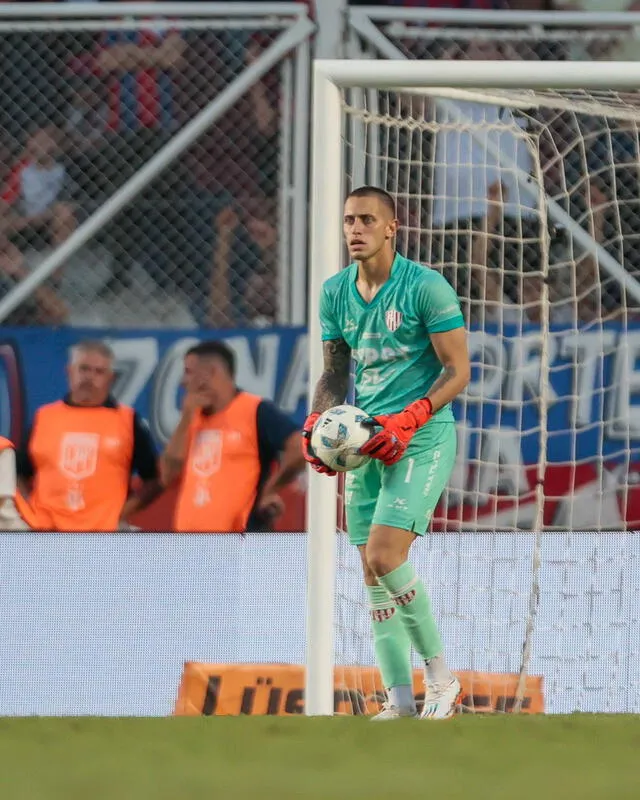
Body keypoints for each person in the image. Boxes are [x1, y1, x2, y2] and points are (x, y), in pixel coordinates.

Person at [303, 186, 470, 720]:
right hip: (368, 443)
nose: (355, 229)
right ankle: (399, 701)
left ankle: (442, 680)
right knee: (371, 573)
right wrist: (314, 426)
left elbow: (458, 370)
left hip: (419, 439)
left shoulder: (426, 288)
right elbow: (334, 372)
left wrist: (412, 417)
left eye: (367, 220)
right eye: (349, 219)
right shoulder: (334, 293)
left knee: (384, 555)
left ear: (392, 228)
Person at [12, 340, 161, 532]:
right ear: (69, 371)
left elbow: (154, 479)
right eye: (83, 369)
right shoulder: (44, 417)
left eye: (99, 372)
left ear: (111, 378)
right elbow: (18, 472)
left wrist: (120, 513)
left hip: (103, 535)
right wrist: (30, 511)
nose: (89, 377)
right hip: (46, 532)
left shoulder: (128, 421)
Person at [161, 340, 305, 533]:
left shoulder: (254, 410)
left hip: (240, 543)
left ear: (210, 373)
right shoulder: (192, 417)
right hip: (190, 544)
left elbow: (300, 447)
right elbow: (167, 475)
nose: (183, 381)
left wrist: (270, 489)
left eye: (188, 371)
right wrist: (186, 418)